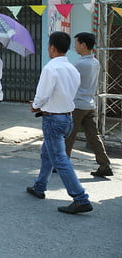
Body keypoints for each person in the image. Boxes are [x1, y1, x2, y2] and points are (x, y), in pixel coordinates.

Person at [27, 31, 93, 214]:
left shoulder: (51, 68)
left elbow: (42, 94)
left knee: (59, 159)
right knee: (48, 153)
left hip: (53, 118)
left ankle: (80, 198)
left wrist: (36, 105)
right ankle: (39, 186)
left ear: (52, 47)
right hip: (67, 117)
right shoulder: (72, 68)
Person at [65, 32, 113, 178]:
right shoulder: (95, 62)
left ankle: (62, 164)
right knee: (93, 136)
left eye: (77, 43)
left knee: (69, 135)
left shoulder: (80, 64)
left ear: (84, 45)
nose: (75, 46)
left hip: (78, 104)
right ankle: (104, 164)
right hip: (89, 104)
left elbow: (69, 83)